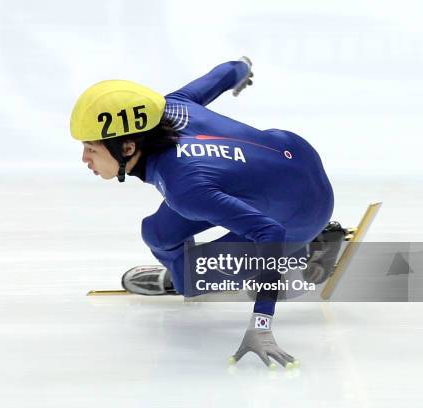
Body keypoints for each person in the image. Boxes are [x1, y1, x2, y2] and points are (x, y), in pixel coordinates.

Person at [70, 58, 343, 369]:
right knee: (156, 234)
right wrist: (242, 67)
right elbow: (224, 74)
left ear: (128, 148)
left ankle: (309, 251)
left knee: (190, 279)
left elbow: (270, 234)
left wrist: (261, 325)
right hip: (286, 157)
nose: (84, 158)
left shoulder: (183, 187)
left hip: (300, 213)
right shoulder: (173, 106)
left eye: (91, 148)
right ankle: (182, 272)